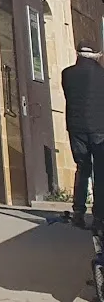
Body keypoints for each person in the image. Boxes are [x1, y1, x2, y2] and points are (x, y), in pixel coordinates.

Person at [61, 42, 104, 229]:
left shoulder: (67, 74)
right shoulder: (101, 75)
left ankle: (78, 212)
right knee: (100, 172)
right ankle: (98, 216)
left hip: (76, 128)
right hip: (99, 129)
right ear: (96, 56)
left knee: (82, 168)